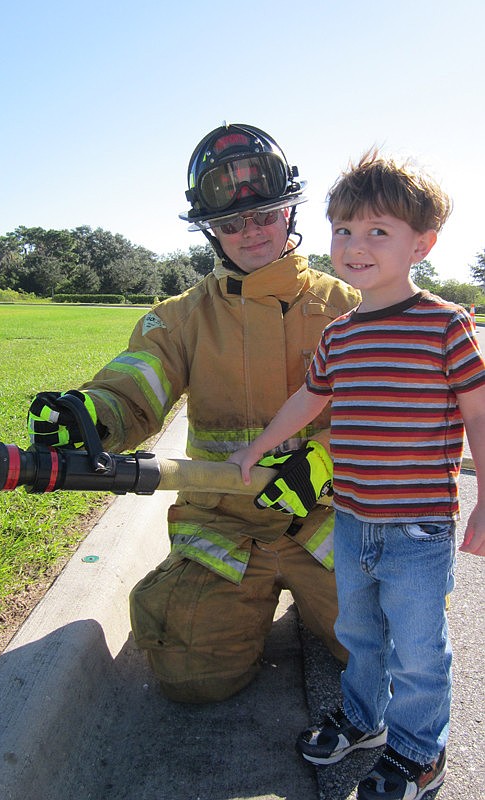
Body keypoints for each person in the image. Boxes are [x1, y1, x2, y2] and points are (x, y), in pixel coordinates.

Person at [27, 123, 359, 703]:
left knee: (390, 644)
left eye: (264, 213)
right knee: (188, 673)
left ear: (289, 212)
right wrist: (91, 414)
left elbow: (399, 411)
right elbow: (136, 385)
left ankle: (315, 600)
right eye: (231, 222)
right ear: (210, 230)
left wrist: (328, 458)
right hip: (225, 526)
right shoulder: (180, 318)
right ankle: (253, 602)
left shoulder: (350, 309)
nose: (249, 230)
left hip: (328, 520)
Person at [229, 149, 485, 799]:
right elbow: (308, 399)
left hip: (417, 527)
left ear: (421, 244)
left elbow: (479, 414)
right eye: (343, 230)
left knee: (418, 650)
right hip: (351, 518)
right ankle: (365, 720)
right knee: (358, 633)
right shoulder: (341, 334)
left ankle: (418, 751)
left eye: (377, 230)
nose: (354, 245)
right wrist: (257, 447)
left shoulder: (445, 325)